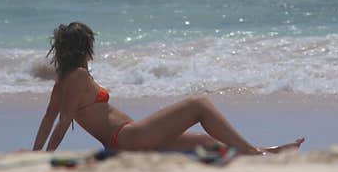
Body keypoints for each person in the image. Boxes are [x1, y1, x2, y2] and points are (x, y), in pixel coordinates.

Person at [33, 22, 305, 154]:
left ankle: (268, 151)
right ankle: (257, 154)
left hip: (126, 141)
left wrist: (37, 155)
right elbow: (62, 120)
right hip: (128, 138)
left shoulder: (63, 82)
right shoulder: (78, 77)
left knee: (209, 143)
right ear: (84, 48)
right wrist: (46, 158)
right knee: (198, 104)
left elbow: (49, 119)